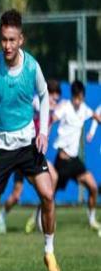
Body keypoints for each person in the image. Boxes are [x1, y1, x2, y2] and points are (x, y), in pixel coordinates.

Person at [0, 9, 60, 271]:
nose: (7, 45)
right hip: (1, 147)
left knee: (48, 195)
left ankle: (49, 251)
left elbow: (44, 96)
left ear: (21, 39)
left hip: (28, 145)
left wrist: (42, 132)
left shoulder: (32, 67)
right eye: (4, 39)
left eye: (12, 40)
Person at [0, 79, 61, 234]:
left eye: (57, 96)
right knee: (16, 195)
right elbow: (36, 105)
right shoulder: (38, 102)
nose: (55, 98)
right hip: (23, 151)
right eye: (52, 95)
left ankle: (39, 215)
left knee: (53, 178)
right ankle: (2, 216)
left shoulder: (53, 111)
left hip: (36, 155)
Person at [52, 81, 101, 230]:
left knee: (93, 187)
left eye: (80, 98)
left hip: (75, 161)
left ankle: (92, 220)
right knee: (49, 195)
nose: (78, 101)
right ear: (72, 96)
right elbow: (52, 119)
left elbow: (96, 117)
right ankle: (39, 217)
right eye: (75, 98)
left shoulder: (84, 109)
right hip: (62, 161)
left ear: (83, 97)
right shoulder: (65, 107)